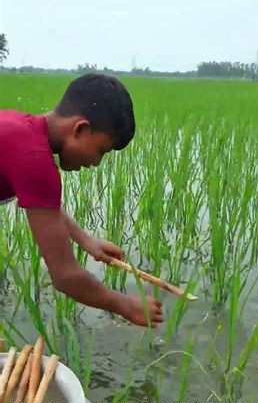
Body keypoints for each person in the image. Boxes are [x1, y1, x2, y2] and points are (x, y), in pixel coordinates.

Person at [0, 74, 163, 328]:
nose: (96, 163)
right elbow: (65, 276)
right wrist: (124, 304)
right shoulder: (33, 158)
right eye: (101, 151)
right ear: (80, 129)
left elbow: (43, 204)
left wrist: (85, 240)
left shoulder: (20, 128)